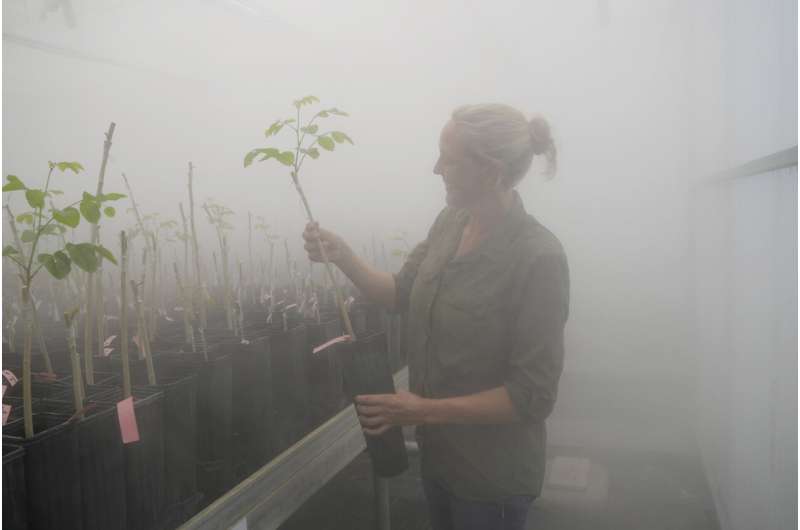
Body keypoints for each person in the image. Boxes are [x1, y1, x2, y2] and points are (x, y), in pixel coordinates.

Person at [302, 103, 570, 530]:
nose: (435, 169)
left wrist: (423, 411)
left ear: (490, 171)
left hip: (491, 482)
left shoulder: (537, 258)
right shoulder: (449, 223)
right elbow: (401, 292)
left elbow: (532, 395)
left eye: (449, 160)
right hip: (440, 462)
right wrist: (343, 257)